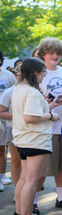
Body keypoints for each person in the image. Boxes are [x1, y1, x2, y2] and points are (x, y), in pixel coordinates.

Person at [12, 58, 62, 215]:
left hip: (23, 139)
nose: (44, 76)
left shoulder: (20, 89)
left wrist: (51, 105)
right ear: (35, 72)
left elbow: (31, 112)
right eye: (43, 72)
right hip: (36, 140)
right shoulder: (32, 92)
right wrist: (51, 116)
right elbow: (30, 117)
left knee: (24, 179)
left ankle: (20, 214)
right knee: (32, 181)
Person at [36, 37, 62, 211]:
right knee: (42, 168)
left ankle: (61, 198)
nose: (55, 56)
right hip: (46, 126)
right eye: (51, 53)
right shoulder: (38, 72)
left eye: (58, 53)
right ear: (44, 54)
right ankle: (32, 202)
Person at [0, 65, 22, 197]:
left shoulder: (34, 90)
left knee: (26, 162)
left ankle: (24, 191)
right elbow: (1, 112)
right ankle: (18, 191)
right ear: (15, 76)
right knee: (16, 160)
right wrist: (22, 116)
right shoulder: (10, 92)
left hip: (30, 132)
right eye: (20, 75)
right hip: (13, 128)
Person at [0, 50, 18, 191]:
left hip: (5, 119)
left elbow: (14, 91)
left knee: (2, 149)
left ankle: (1, 175)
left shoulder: (7, 76)